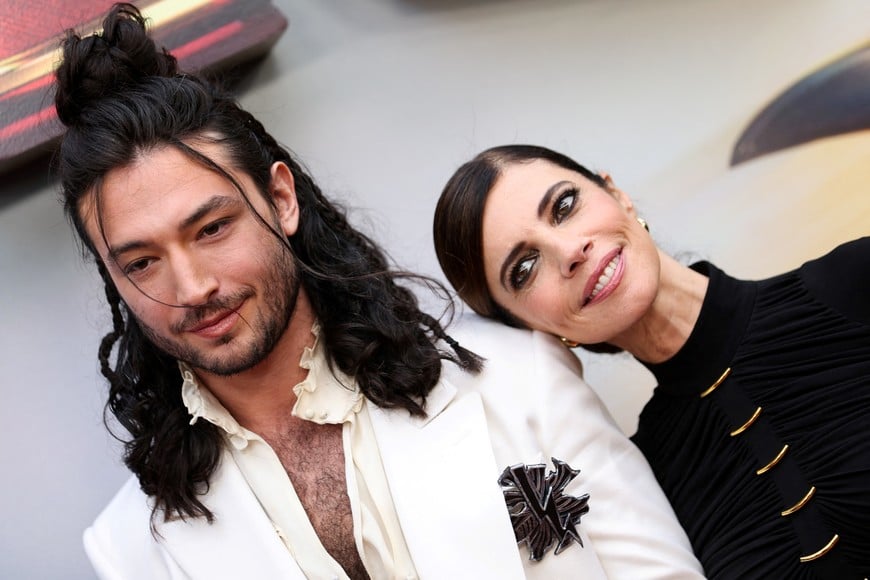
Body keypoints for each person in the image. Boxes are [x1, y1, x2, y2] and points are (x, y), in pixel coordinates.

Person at [55, 5, 704, 579]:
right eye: (141, 263)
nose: (194, 286)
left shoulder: (518, 380)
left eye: (213, 227)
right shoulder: (130, 550)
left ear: (281, 199)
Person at [433, 143, 870, 579]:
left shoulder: (855, 280)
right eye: (525, 269)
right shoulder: (641, 488)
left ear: (615, 192)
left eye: (564, 206)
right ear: (532, 328)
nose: (569, 251)